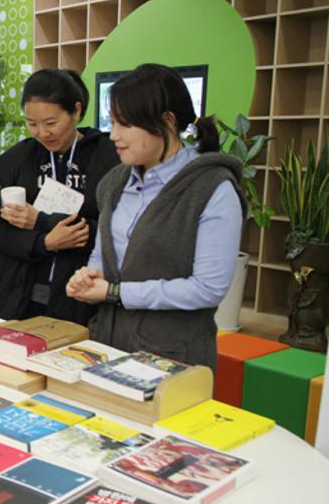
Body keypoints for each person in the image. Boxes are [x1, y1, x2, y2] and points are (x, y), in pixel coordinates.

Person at [66, 63, 245, 370]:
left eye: (125, 125)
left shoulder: (212, 189)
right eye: (112, 123)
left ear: (167, 122)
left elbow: (207, 288)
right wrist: (90, 278)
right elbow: (103, 255)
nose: (114, 136)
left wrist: (116, 293)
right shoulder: (114, 182)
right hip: (107, 346)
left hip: (172, 358)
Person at [0, 69, 120, 324]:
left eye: (51, 123)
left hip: (81, 299)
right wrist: (44, 242)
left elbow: (115, 229)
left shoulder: (108, 159)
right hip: (20, 297)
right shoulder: (15, 161)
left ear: (76, 111)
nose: (42, 133)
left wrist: (42, 221)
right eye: (32, 123)